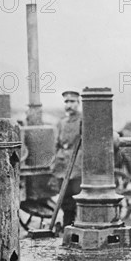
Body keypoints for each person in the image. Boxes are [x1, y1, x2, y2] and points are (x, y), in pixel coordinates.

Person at [51, 90, 83, 227]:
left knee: (77, 196)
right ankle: (67, 226)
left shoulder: (83, 121)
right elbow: (57, 145)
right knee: (64, 198)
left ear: (78, 103)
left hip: (78, 165)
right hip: (62, 165)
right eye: (66, 102)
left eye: (72, 102)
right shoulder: (61, 123)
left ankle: (79, 224)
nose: (69, 105)